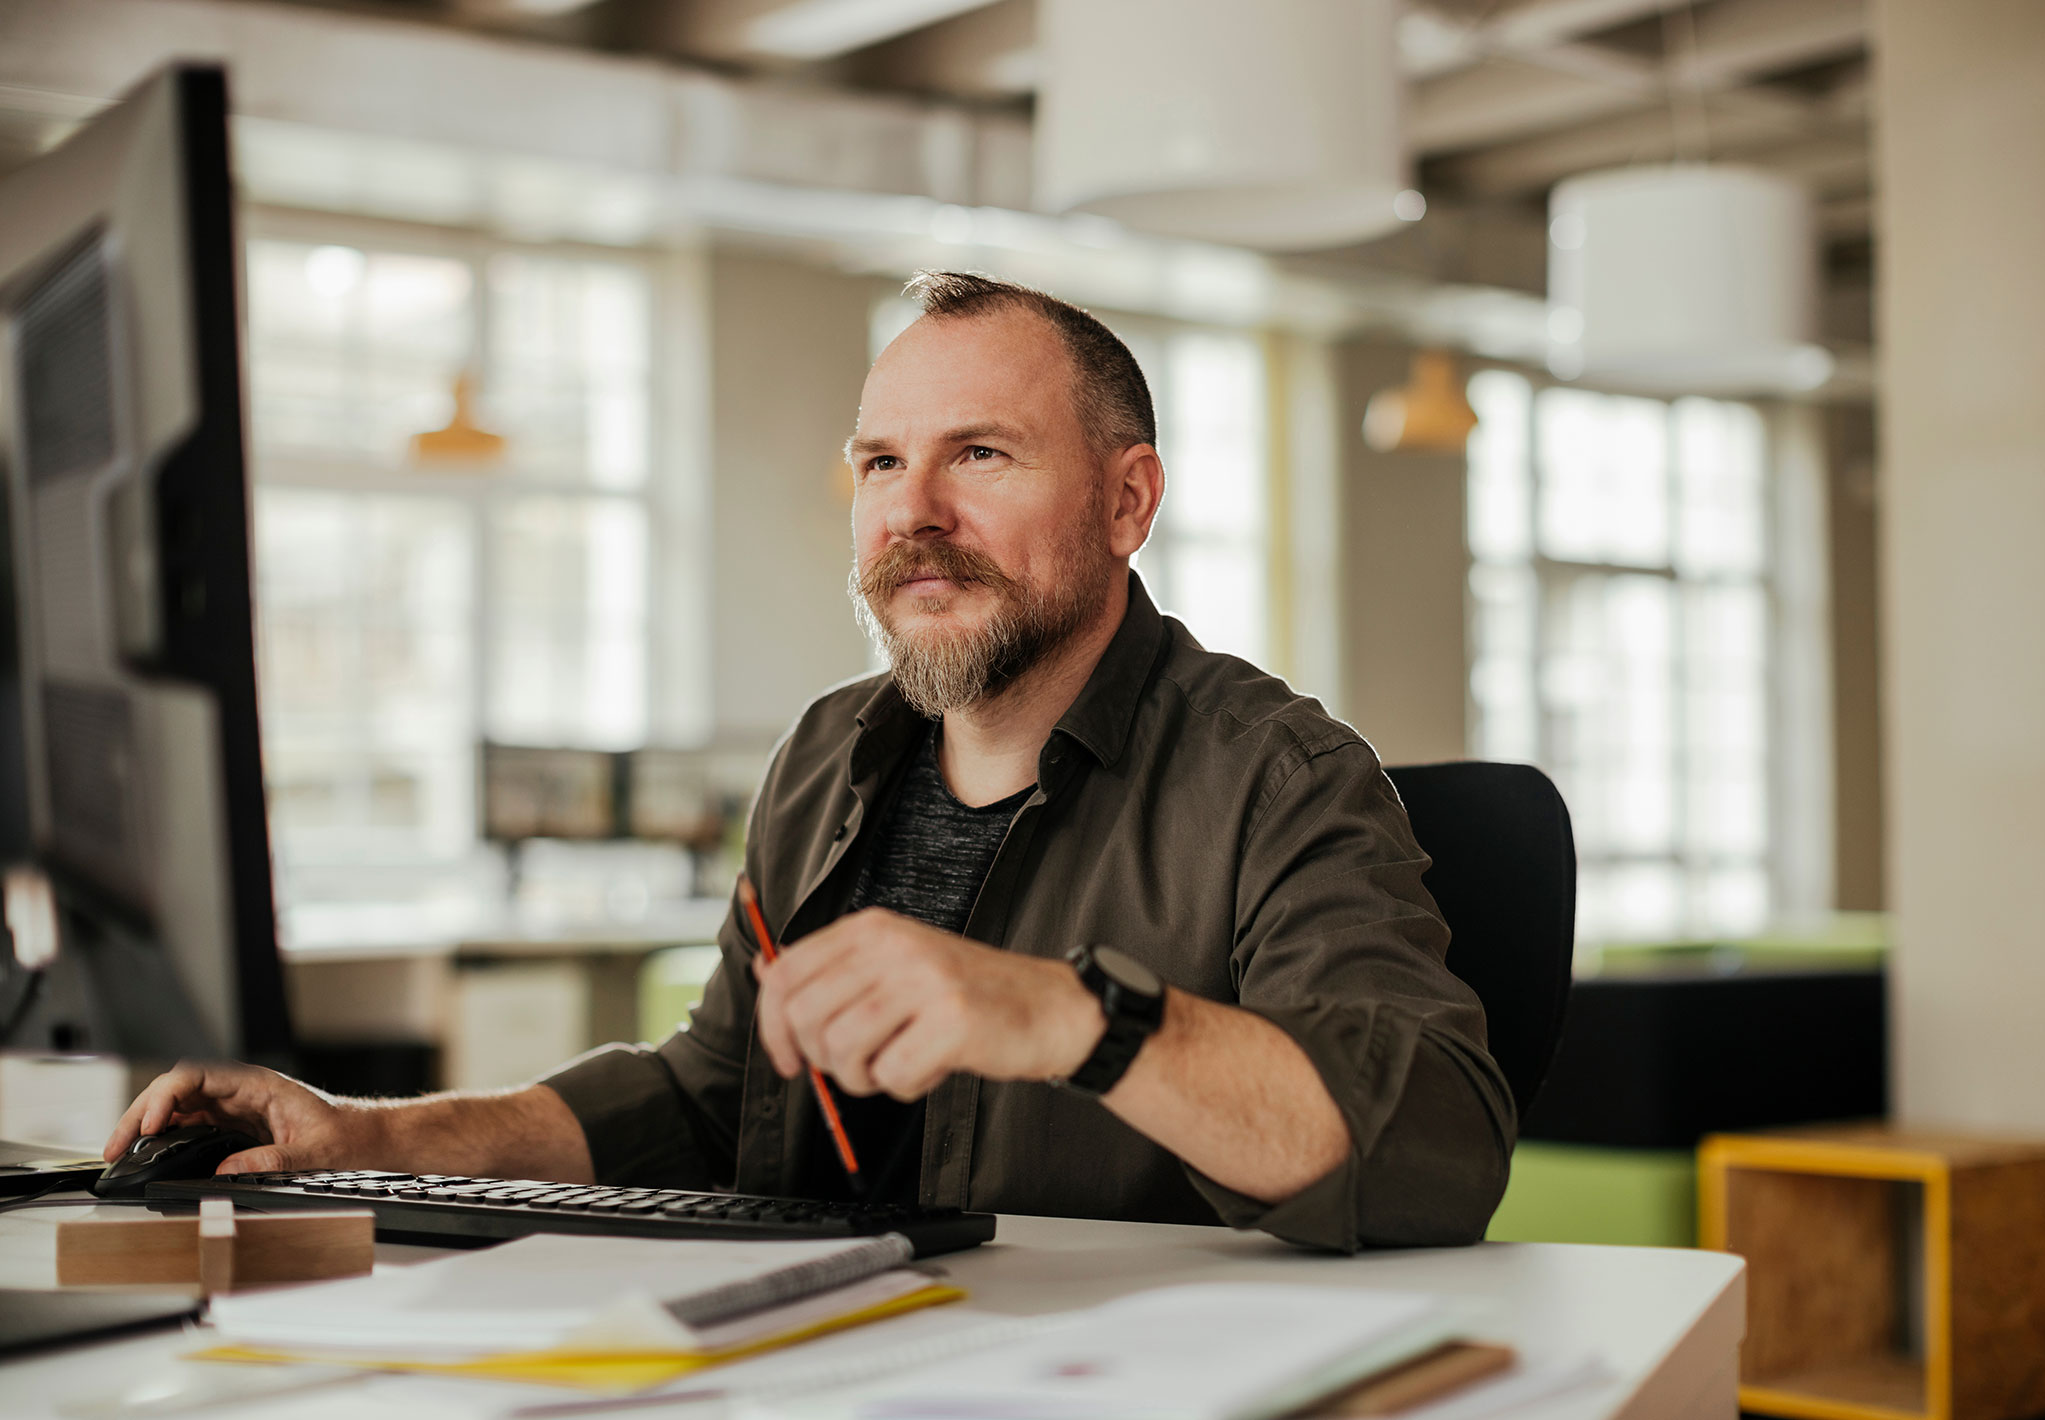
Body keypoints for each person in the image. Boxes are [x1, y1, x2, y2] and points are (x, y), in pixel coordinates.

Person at [107, 272, 1514, 1251]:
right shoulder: (827, 758)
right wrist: (366, 1137)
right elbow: (708, 1095)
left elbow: (1435, 1141)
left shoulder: (1282, 775)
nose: (916, 514)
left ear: (1128, 499)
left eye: (981, 455)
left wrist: (1072, 1017)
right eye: (881, 463)